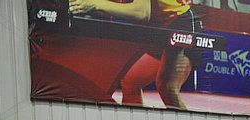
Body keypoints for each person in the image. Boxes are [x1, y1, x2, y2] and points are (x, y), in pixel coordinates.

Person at [67, 0, 201, 110]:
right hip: (160, 28)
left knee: (167, 87)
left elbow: (142, 12)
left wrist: (95, 4)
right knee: (131, 81)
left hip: (181, 24)